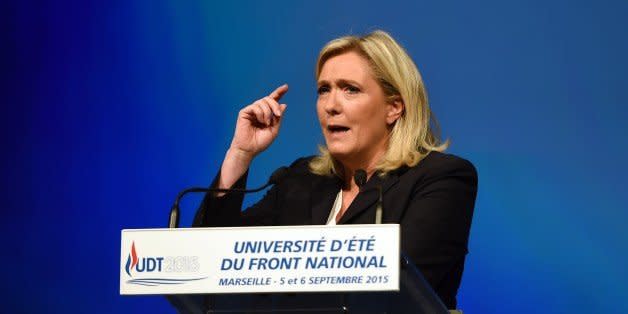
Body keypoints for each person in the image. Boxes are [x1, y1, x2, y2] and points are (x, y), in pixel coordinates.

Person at [193, 30, 477, 309]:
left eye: (350, 89)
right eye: (323, 90)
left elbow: (401, 287)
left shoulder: (441, 179)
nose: (331, 105)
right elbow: (211, 262)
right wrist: (240, 154)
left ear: (393, 107)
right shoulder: (300, 180)